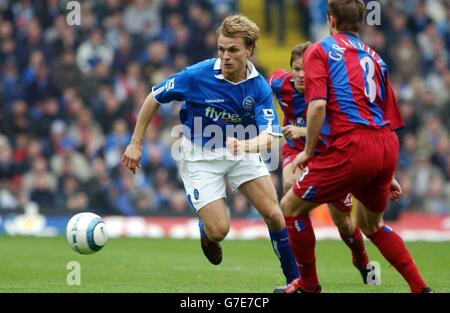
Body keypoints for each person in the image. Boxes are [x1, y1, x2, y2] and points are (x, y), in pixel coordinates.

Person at [122, 14, 299, 285]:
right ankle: (206, 231)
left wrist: (245, 145)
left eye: (233, 50)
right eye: (221, 49)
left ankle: (294, 283)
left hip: (241, 149)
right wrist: (135, 143)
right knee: (220, 230)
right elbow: (153, 97)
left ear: (249, 50)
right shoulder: (197, 75)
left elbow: (272, 136)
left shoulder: (259, 86)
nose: (225, 56)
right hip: (200, 154)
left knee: (275, 215)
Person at [278, 0, 432, 293]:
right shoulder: (375, 57)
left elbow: (318, 105)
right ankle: (421, 288)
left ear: (330, 19)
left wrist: (308, 150)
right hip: (385, 145)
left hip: (352, 145)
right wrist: (388, 172)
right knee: (371, 224)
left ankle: (309, 285)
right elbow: (382, 112)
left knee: (291, 206)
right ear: (360, 21)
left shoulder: (319, 50)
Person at [268, 42, 378, 291]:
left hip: (330, 155)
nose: (300, 75)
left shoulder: (332, 93)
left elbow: (341, 131)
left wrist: (302, 130)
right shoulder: (278, 82)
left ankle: (360, 258)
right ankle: (306, 279)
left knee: (344, 224)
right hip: (297, 150)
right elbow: (260, 92)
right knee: (289, 188)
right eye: (296, 69)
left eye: (306, 69)